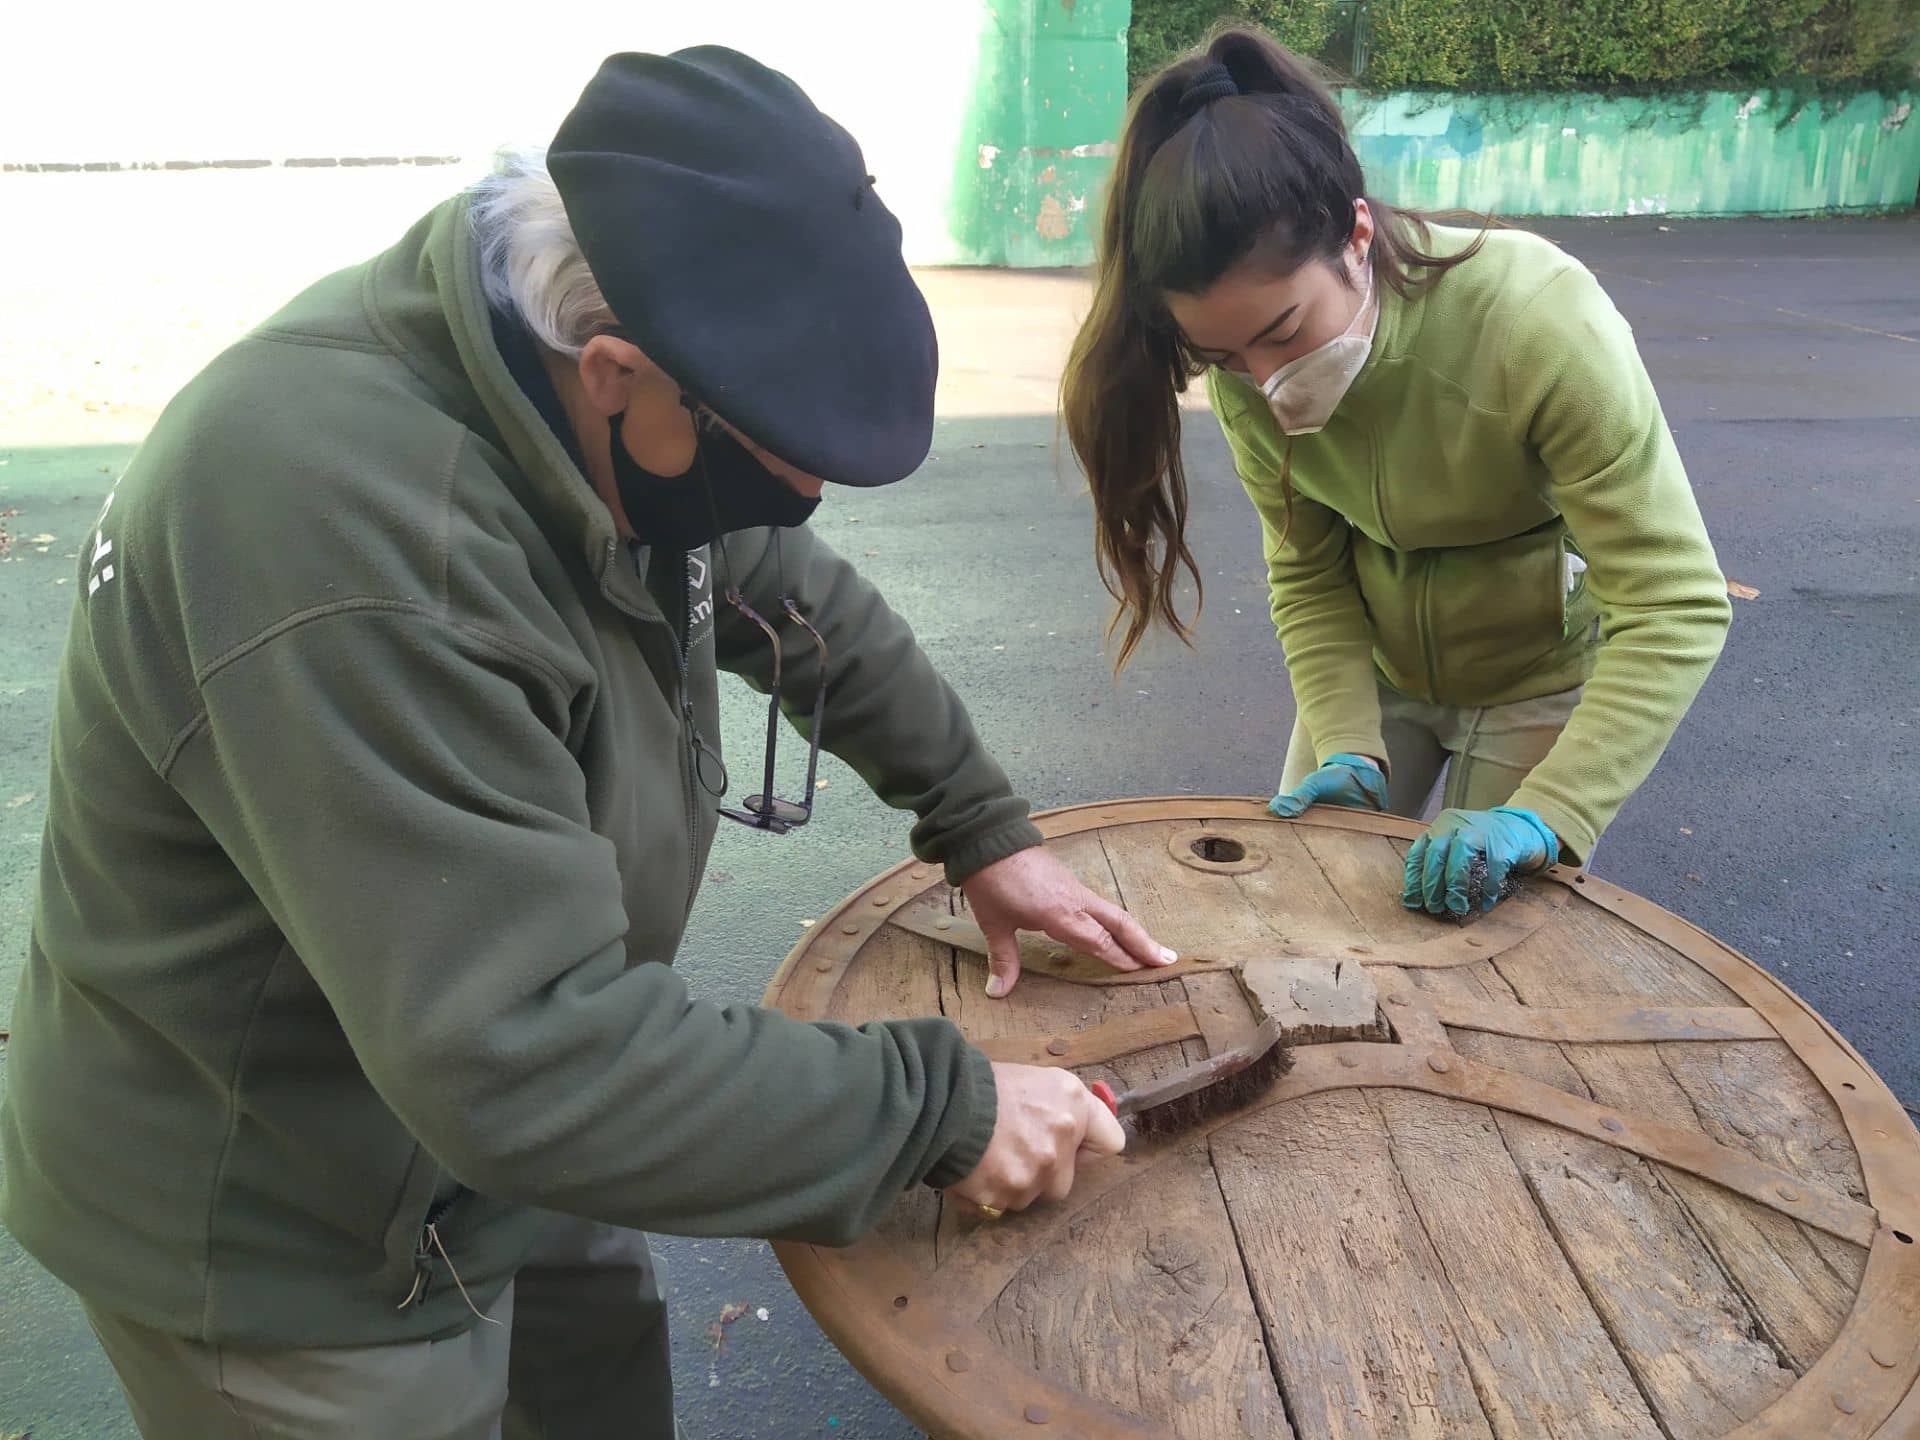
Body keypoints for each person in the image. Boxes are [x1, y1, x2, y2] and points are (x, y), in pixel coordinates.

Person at [1, 48, 1171, 1440]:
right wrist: (945, 1112)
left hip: (494, 1117)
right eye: (768, 462)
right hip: (298, 1226)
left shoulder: (588, 368)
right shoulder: (356, 538)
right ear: (612, 370)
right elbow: (523, 1061)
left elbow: (795, 603)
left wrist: (982, 829)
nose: (785, 504)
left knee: (596, 1369)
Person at [1062, 27, 1731, 916]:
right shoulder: (1241, 371)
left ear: (1356, 234)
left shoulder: (1538, 324)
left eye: (1284, 333)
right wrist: (1344, 741)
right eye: (1223, 356)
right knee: (1305, 906)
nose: (1267, 383)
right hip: (1377, 677)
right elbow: (1308, 570)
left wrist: (1548, 813)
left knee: (1480, 936)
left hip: (1536, 675)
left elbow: (1673, 603)